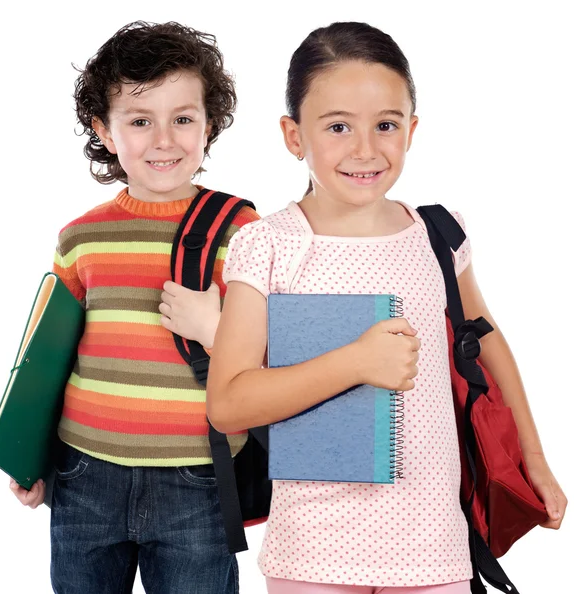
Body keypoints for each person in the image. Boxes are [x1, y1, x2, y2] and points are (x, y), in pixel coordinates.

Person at [206, 21, 567, 594]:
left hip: (434, 544)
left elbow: (486, 342)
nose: (366, 150)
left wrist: (535, 458)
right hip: (313, 551)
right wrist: (356, 363)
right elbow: (228, 402)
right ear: (293, 135)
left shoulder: (440, 235)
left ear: (412, 130)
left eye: (386, 125)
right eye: (338, 126)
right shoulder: (268, 243)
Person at [9, 20, 258, 594]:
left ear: (210, 124)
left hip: (198, 477)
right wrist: (32, 456)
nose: (164, 139)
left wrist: (219, 330)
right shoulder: (80, 238)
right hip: (83, 475)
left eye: (183, 118)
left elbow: (281, 354)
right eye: (140, 121)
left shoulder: (243, 232)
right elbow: (46, 363)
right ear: (104, 129)